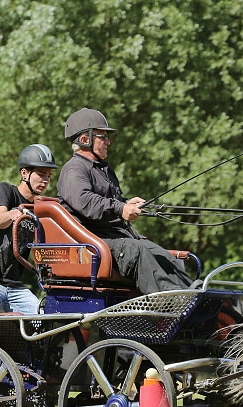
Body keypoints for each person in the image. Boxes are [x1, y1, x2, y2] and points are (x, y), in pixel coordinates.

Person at [56, 108, 196, 294]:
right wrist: (121, 208)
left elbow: (110, 201)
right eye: (102, 137)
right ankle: (172, 300)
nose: (108, 142)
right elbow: (85, 201)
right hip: (94, 241)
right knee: (137, 250)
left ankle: (195, 294)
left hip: (117, 237)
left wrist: (128, 203)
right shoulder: (74, 169)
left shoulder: (103, 169)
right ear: (84, 140)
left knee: (162, 255)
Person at [0, 144, 57, 314]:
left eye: (49, 175)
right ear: (24, 173)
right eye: (41, 174)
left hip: (14, 285)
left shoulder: (39, 208)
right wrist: (13, 213)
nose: (45, 180)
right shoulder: (6, 191)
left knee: (42, 320)